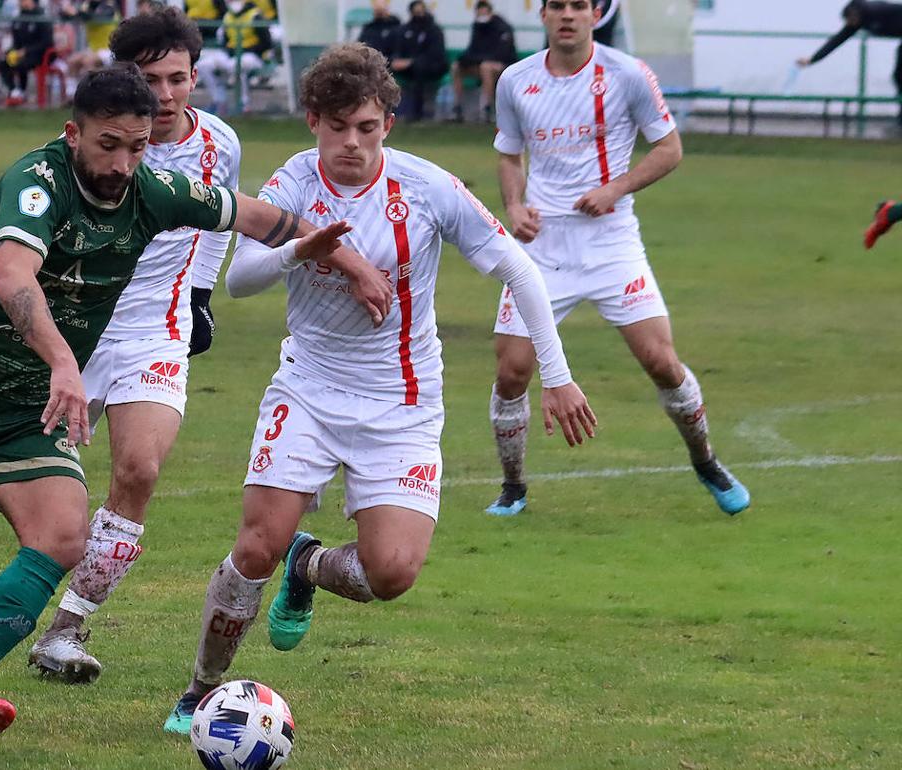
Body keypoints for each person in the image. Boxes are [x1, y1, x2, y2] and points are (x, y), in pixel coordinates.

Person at [0, 62, 391, 740]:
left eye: (137, 147)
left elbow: (259, 217)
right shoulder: (36, 184)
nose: (124, 162)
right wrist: (64, 361)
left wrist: (350, 261)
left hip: (28, 410)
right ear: (73, 133)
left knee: (63, 535)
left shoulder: (152, 188)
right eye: (109, 145)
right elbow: (13, 277)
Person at [162, 42, 597, 735]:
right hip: (306, 390)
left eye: (367, 128)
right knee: (253, 548)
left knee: (390, 574)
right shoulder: (294, 185)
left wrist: (560, 375)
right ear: (313, 120)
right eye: (338, 128)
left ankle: (308, 565)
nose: (352, 144)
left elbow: (522, 271)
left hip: (402, 405)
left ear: (387, 124)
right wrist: (300, 249)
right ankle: (199, 691)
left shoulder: (427, 188)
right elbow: (240, 279)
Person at [0, 5, 243, 685]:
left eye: (178, 79)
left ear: (195, 76)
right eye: (151, 80)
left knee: (138, 472)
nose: (166, 96)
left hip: (152, 332)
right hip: (77, 324)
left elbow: (223, 218)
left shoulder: (219, 143)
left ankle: (66, 631)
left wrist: (199, 292)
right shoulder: (83, 149)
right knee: (30, 470)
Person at [486, 0, 750, 518]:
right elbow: (508, 153)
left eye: (578, 5)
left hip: (611, 242)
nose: (567, 14)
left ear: (595, 14)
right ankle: (513, 485)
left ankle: (706, 460)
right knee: (512, 373)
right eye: (556, 5)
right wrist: (514, 205)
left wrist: (616, 189)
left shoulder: (627, 74)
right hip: (542, 247)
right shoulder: (515, 80)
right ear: (541, 15)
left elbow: (669, 148)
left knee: (661, 362)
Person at [797, 1, 902, 125]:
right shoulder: (856, 23)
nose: (849, 24)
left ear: (858, 15)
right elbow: (836, 41)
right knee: (898, 77)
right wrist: (812, 59)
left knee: (899, 74)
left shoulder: (878, 11)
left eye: (851, 20)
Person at [198, 0, 273, 113]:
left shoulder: (255, 15)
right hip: (231, 54)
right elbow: (225, 40)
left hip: (253, 55)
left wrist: (244, 50)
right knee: (203, 65)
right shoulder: (228, 16)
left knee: (237, 65)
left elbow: (267, 43)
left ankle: (243, 105)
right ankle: (219, 100)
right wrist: (230, 51)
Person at [451, 1, 517, 123]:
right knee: (456, 67)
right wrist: (464, 59)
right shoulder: (477, 27)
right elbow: (472, 49)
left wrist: (478, 59)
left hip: (504, 65)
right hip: (482, 62)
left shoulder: (502, 28)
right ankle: (457, 107)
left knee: (486, 67)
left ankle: (485, 108)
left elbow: (503, 54)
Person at [391, 1, 448, 121]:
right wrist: (396, 60)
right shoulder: (404, 30)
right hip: (409, 67)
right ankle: (389, 110)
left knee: (419, 68)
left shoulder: (434, 31)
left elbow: (435, 54)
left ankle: (417, 112)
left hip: (432, 66)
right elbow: (398, 49)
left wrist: (412, 62)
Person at [0, 0, 54, 107]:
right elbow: (16, 42)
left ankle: (21, 92)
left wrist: (26, 51)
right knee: (2, 63)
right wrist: (11, 51)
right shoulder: (19, 19)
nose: (20, 2)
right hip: (21, 54)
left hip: (39, 55)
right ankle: (15, 91)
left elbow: (47, 42)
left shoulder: (42, 18)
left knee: (22, 64)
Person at [358, 0, 402, 66]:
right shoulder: (368, 28)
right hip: (370, 63)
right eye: (377, 10)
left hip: (389, 64)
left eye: (381, 10)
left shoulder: (396, 27)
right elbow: (360, 44)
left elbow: (399, 50)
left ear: (387, 9)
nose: (379, 12)